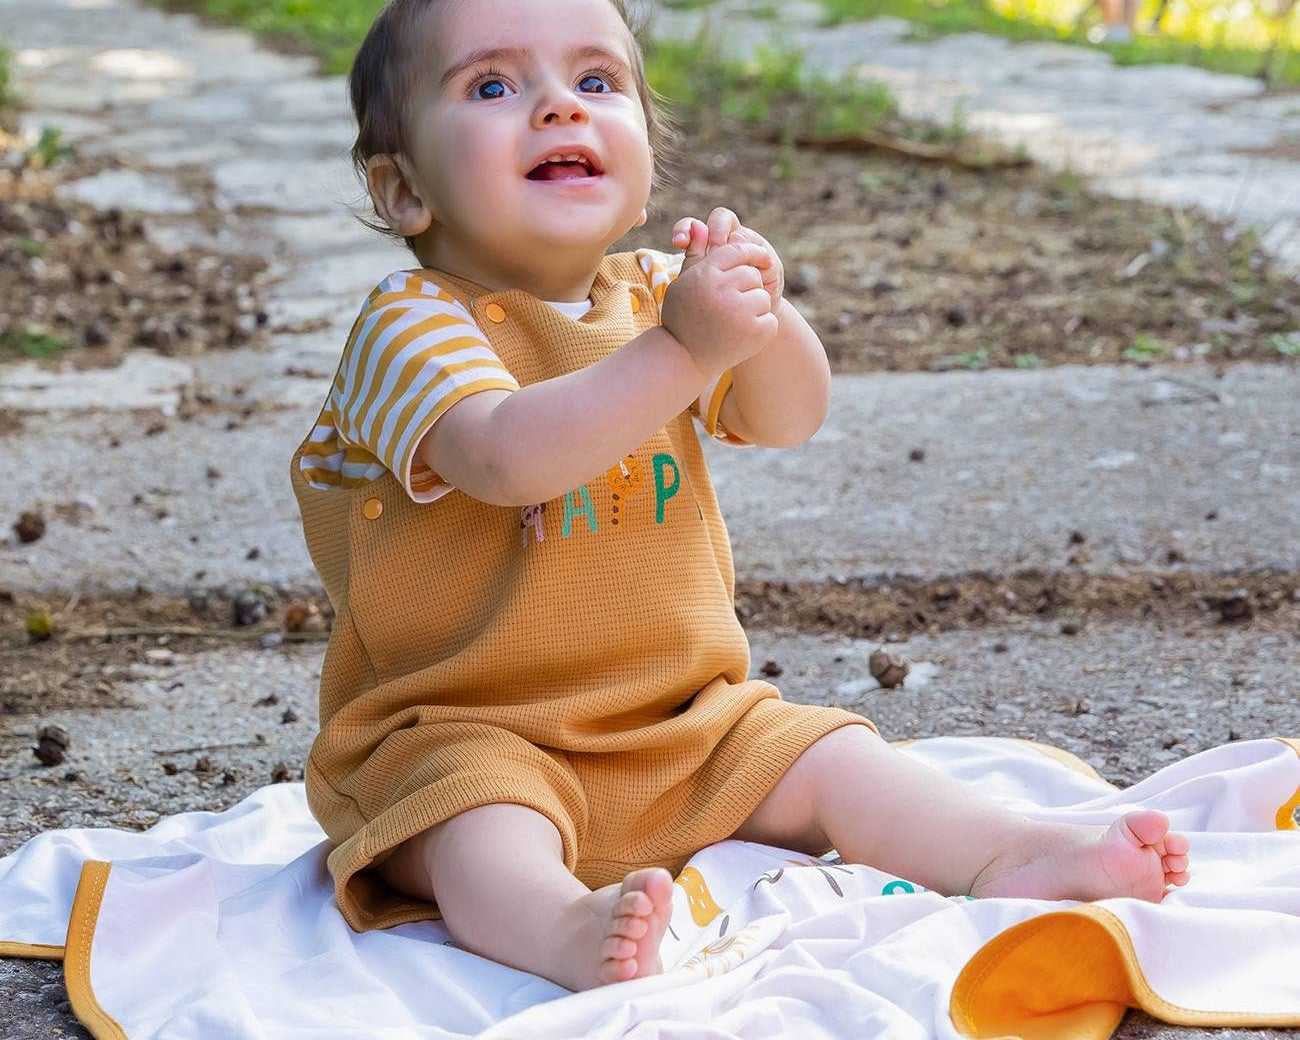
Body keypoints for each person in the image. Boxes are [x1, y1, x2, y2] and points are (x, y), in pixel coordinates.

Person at [289, 0, 1191, 994]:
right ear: (403, 188)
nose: (558, 108)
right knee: (478, 827)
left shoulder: (656, 296)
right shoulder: (409, 326)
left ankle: (1006, 850)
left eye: (596, 82)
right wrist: (683, 350)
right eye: (493, 86)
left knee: (833, 756)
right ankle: (558, 927)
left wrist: (761, 312)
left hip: (683, 719)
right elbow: (504, 456)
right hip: (462, 728)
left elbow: (788, 414)